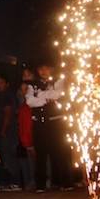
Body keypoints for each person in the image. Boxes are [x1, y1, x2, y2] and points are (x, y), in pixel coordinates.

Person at [26, 62, 71, 192]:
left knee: (59, 152)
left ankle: (64, 181)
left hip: (55, 122)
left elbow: (58, 94)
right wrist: (46, 98)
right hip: (40, 123)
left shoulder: (58, 81)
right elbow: (30, 102)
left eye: (46, 68)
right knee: (41, 154)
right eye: (41, 68)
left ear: (51, 69)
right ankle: (41, 184)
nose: (44, 71)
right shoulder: (32, 85)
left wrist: (40, 96)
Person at [0, 75, 19, 190]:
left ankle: (14, 181)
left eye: (1, 82)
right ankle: (5, 182)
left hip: (7, 131)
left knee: (8, 156)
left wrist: (3, 130)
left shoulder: (7, 96)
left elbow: (8, 113)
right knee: (2, 156)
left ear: (6, 84)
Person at [16, 68, 36, 190]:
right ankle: (32, 181)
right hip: (27, 139)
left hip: (32, 138)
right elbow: (23, 125)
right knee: (30, 162)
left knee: (35, 161)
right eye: (22, 89)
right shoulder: (22, 107)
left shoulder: (31, 105)